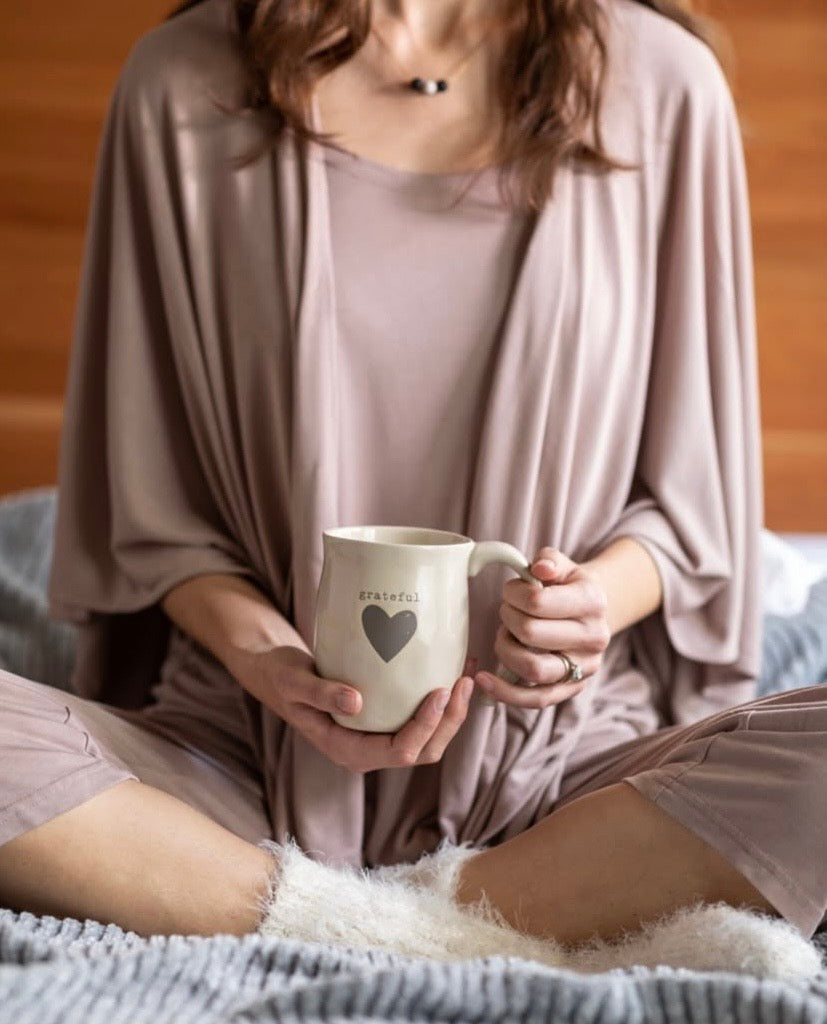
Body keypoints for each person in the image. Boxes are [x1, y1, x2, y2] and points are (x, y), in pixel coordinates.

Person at [1, 0, 825, 957]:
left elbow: (693, 517)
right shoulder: (179, 83)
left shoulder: (662, 83)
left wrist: (581, 612)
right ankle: (452, 925)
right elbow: (153, 519)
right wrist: (271, 663)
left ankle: (261, 907)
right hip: (234, 761)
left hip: (575, 773)